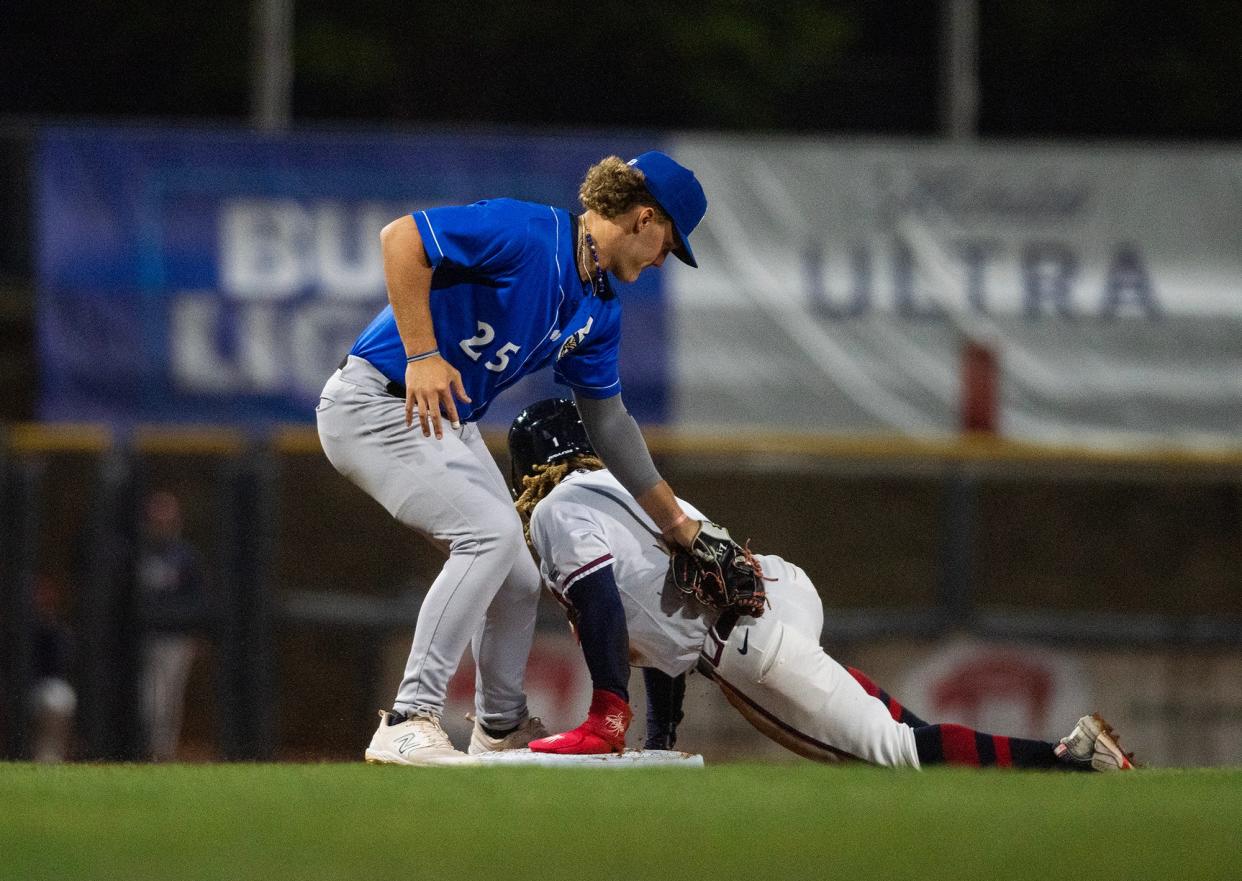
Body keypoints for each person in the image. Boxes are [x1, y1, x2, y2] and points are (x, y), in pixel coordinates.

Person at [317, 152, 724, 765]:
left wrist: (679, 524)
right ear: (644, 218)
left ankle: (499, 725)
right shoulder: (530, 233)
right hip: (374, 401)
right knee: (487, 535)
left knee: (517, 574)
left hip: (445, 419)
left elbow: (608, 422)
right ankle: (410, 717)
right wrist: (422, 352)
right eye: (670, 241)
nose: (665, 257)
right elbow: (401, 238)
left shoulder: (600, 304)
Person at [509, 398, 1136, 771]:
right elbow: (659, 600)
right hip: (779, 589)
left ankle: (1071, 759)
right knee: (884, 731)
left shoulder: (556, 510)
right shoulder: (623, 487)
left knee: (890, 755)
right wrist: (661, 736)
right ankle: (1016, 769)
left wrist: (608, 716)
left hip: (744, 641)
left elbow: (602, 608)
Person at [135, 490, 209, 762]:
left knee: (170, 700)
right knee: (148, 699)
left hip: (175, 639)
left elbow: (197, 596)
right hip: (145, 636)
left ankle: (163, 753)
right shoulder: (138, 552)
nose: (162, 521)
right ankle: (147, 750)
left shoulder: (185, 556)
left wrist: (196, 633)